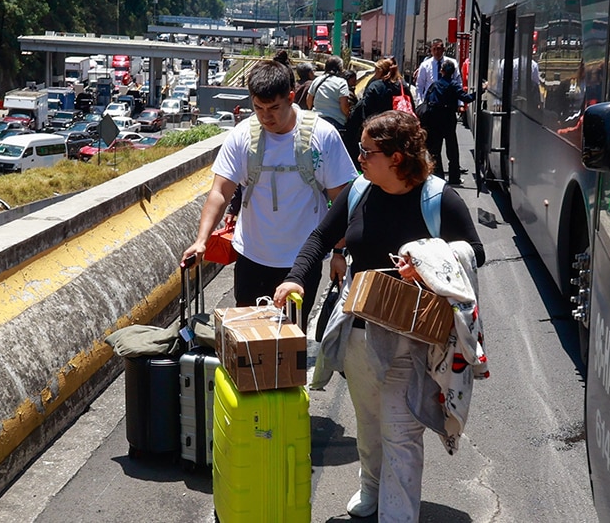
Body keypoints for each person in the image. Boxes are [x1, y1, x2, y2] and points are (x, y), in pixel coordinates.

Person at [273, 111, 485, 521]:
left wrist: (428, 260)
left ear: (397, 159)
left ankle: (397, 515)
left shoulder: (440, 199)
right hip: (359, 330)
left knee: (401, 434)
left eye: (367, 152)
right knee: (369, 425)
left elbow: (475, 251)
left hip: (411, 336)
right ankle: (371, 485)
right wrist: (296, 278)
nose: (359, 158)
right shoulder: (358, 191)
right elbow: (320, 236)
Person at [181, 60, 359, 320]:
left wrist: (339, 253)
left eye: (274, 108)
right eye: (258, 108)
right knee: (247, 341)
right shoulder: (242, 136)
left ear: (290, 97)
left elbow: (341, 199)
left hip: (302, 259)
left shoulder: (322, 135)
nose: (266, 116)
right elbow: (220, 192)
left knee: (290, 340)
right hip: (252, 255)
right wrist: (201, 241)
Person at [424, 60, 475, 184]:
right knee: (452, 149)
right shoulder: (454, 85)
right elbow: (466, 98)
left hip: (435, 120)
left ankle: (438, 176)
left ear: (442, 71)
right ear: (452, 73)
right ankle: (454, 177)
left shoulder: (435, 85)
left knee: (435, 149)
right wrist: (480, 91)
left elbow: (427, 100)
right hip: (449, 119)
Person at [307, 56, 352, 135]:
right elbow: (344, 106)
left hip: (317, 121)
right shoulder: (342, 82)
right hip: (336, 123)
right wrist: (348, 115)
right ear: (340, 68)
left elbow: (309, 101)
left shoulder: (317, 80)